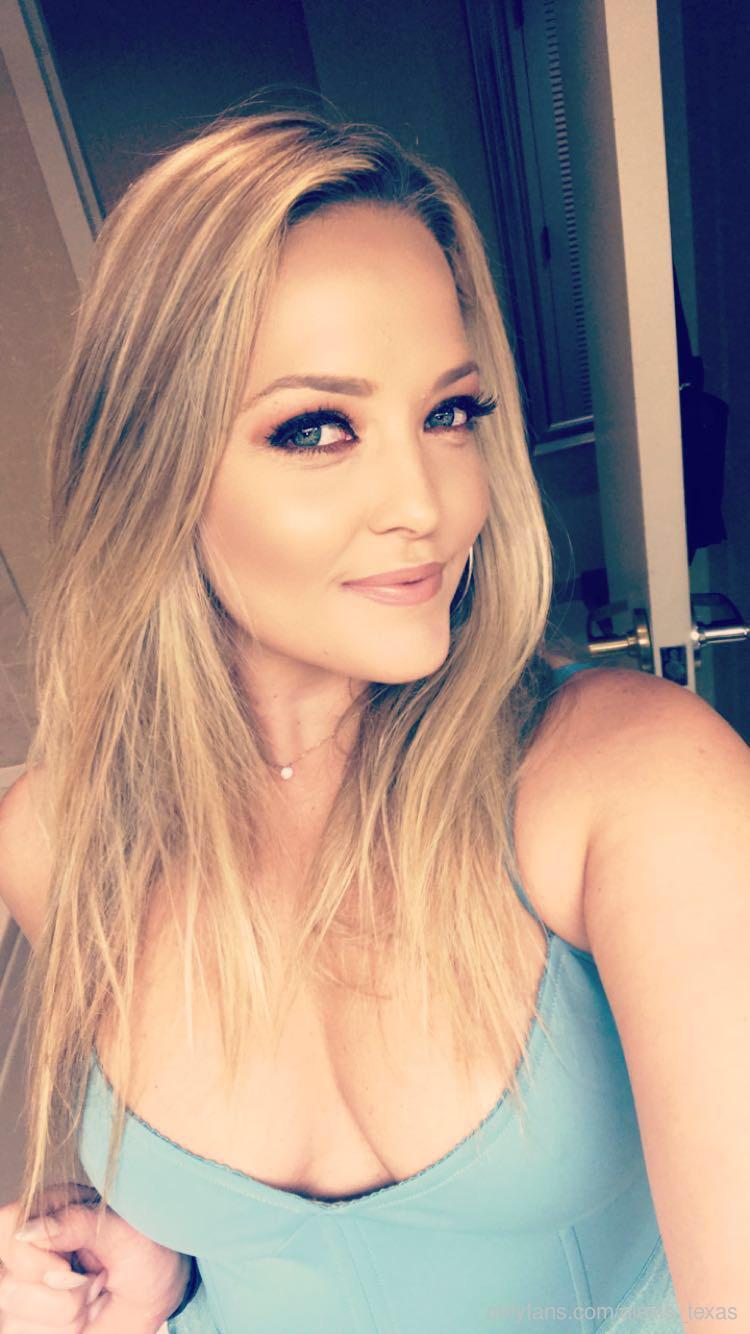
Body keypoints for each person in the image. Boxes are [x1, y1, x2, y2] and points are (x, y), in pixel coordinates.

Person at [0, 105, 747, 1334]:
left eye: (450, 412)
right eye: (318, 427)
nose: (427, 501)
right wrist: (142, 1259)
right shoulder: (57, 836)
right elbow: (259, 1231)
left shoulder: (637, 788)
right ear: (151, 465)